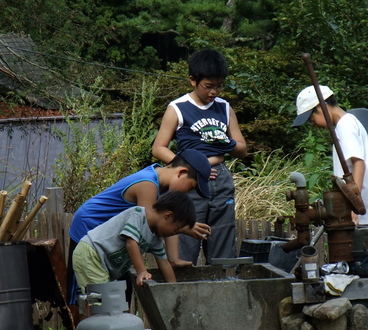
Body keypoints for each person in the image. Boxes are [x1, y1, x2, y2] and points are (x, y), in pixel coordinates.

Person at [67, 148, 211, 321]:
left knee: (117, 293)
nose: (187, 193)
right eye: (191, 187)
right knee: (91, 296)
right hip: (90, 229)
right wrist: (183, 227)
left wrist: (173, 260)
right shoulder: (148, 184)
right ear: (181, 172)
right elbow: (149, 226)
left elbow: (163, 228)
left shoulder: (163, 190)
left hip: (113, 241)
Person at [152, 49, 247, 265]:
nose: (214, 92)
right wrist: (186, 167)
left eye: (219, 86)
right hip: (190, 182)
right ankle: (184, 291)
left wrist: (228, 144)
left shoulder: (224, 108)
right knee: (186, 239)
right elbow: (158, 148)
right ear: (193, 81)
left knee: (222, 241)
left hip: (220, 178)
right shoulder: (178, 108)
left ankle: (224, 288)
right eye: (208, 86)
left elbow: (242, 149)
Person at [292, 85, 368, 227]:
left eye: (312, 120)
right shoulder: (348, 122)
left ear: (322, 107)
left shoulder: (345, 125)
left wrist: (355, 203)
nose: (314, 125)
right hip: (364, 213)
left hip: (364, 215)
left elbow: (359, 164)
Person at [72, 190, 196, 296]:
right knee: (101, 303)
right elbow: (131, 243)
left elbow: (164, 264)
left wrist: (175, 291)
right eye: (176, 229)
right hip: (91, 253)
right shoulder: (137, 215)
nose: (174, 234)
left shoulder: (156, 239)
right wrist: (142, 271)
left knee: (105, 302)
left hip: (101, 262)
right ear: (168, 216)